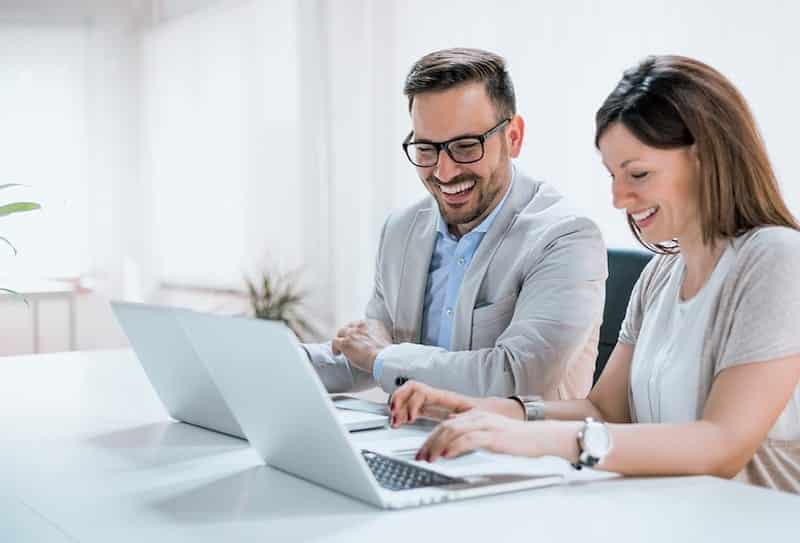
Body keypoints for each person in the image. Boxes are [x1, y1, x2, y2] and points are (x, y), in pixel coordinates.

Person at [389, 55, 800, 494]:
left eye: (638, 173)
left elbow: (722, 445)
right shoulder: (662, 273)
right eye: (612, 175)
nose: (619, 198)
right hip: (671, 516)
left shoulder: (776, 259)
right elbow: (605, 410)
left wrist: (534, 439)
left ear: (706, 159)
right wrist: (484, 411)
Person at [303, 48, 607, 399]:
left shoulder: (566, 238)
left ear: (513, 138)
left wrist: (381, 356)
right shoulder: (401, 229)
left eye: (465, 146)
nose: (444, 173)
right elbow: (368, 352)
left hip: (516, 450)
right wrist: (279, 361)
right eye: (426, 149)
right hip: (412, 444)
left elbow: (517, 379)